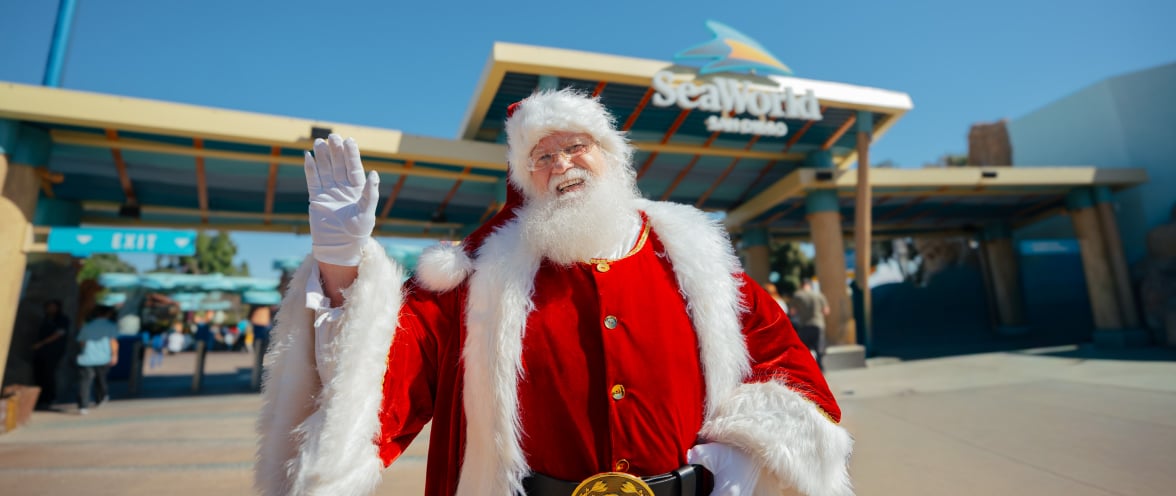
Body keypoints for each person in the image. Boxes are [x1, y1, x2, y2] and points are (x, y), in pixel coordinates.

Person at [256, 90, 852, 496]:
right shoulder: (475, 277)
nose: (561, 163)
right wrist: (340, 265)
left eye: (576, 147)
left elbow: (787, 368)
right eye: (542, 155)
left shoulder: (695, 258)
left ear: (611, 157)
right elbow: (388, 367)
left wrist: (745, 454)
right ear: (524, 179)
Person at [75, 305, 119, 414]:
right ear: (108, 314)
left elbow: (81, 342)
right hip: (103, 357)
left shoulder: (87, 326)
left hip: (87, 357)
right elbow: (113, 342)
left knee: (85, 381)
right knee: (101, 379)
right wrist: (114, 355)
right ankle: (101, 398)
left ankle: (83, 406)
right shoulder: (111, 326)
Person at [31, 299, 70, 410]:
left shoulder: (62, 320)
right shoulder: (46, 319)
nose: (50, 309)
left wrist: (41, 343)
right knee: (39, 374)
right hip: (41, 352)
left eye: (52, 306)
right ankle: (40, 398)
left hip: (53, 352)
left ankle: (50, 398)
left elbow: (59, 333)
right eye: (48, 306)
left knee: (49, 375)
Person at [786, 279, 831, 370]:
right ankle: (820, 367)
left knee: (804, 349)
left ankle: (808, 368)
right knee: (819, 347)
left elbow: (792, 312)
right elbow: (826, 311)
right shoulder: (819, 295)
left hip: (804, 325)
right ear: (810, 285)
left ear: (802, 285)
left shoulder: (798, 295)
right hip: (818, 324)